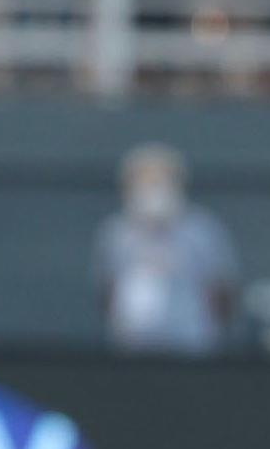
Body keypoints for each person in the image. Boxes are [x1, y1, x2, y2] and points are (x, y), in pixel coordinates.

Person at [93, 143, 239, 356]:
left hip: (191, 344)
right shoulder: (116, 233)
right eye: (145, 181)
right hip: (131, 347)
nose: (153, 189)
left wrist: (210, 333)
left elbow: (222, 290)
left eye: (160, 181)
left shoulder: (201, 230)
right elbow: (107, 291)